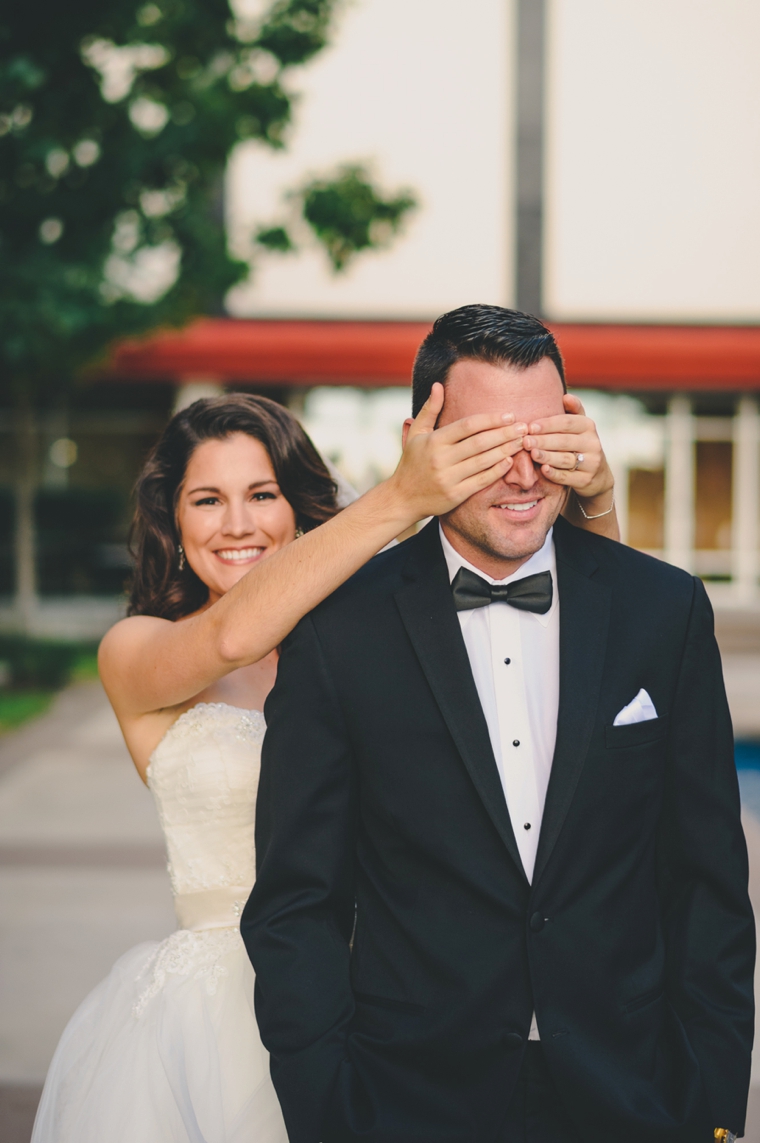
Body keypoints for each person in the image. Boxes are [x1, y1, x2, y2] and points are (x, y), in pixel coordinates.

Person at [31, 379, 616, 1143]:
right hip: (207, 1023)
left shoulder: (368, 636)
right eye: (207, 500)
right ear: (172, 521)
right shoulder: (139, 651)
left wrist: (597, 500)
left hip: (385, 1000)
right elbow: (231, 639)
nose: (237, 523)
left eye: (262, 493)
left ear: (299, 506)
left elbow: (573, 655)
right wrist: (400, 496)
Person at [243, 305, 755, 1143]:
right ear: (424, 441)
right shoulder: (338, 631)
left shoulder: (665, 611)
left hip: (634, 1094)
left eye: (543, 440)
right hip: (410, 1101)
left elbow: (708, 886)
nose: (523, 474)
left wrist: (709, 1107)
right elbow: (296, 905)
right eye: (486, 445)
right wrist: (329, 1112)